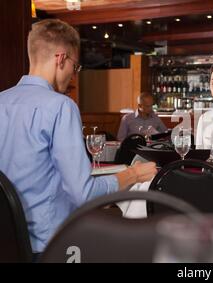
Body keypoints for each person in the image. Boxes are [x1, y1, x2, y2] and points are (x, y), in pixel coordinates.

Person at [0, 19, 157, 256]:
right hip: (51, 246)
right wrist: (133, 174)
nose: (73, 76)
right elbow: (82, 194)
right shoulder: (61, 106)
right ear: (61, 59)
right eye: (75, 67)